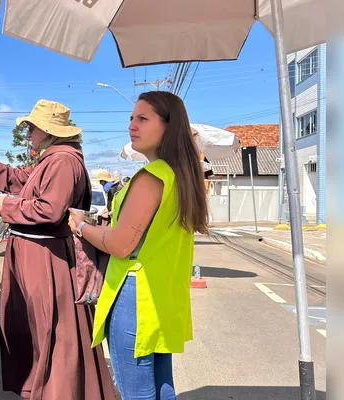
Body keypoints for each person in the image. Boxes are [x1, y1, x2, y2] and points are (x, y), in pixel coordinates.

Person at [0, 99, 115, 400]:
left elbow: (50, 210)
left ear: (47, 130)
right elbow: (20, 179)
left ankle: (58, 393)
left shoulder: (63, 161)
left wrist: (7, 206)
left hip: (45, 258)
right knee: (46, 329)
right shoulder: (53, 159)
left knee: (51, 331)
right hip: (37, 254)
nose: (28, 132)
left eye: (32, 127)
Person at [68, 91, 209, 399]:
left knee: (136, 391)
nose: (132, 125)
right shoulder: (182, 175)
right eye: (131, 118)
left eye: (143, 118)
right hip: (163, 292)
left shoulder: (150, 177)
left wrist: (80, 226)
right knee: (161, 385)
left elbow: (120, 244)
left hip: (136, 295)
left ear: (168, 127)